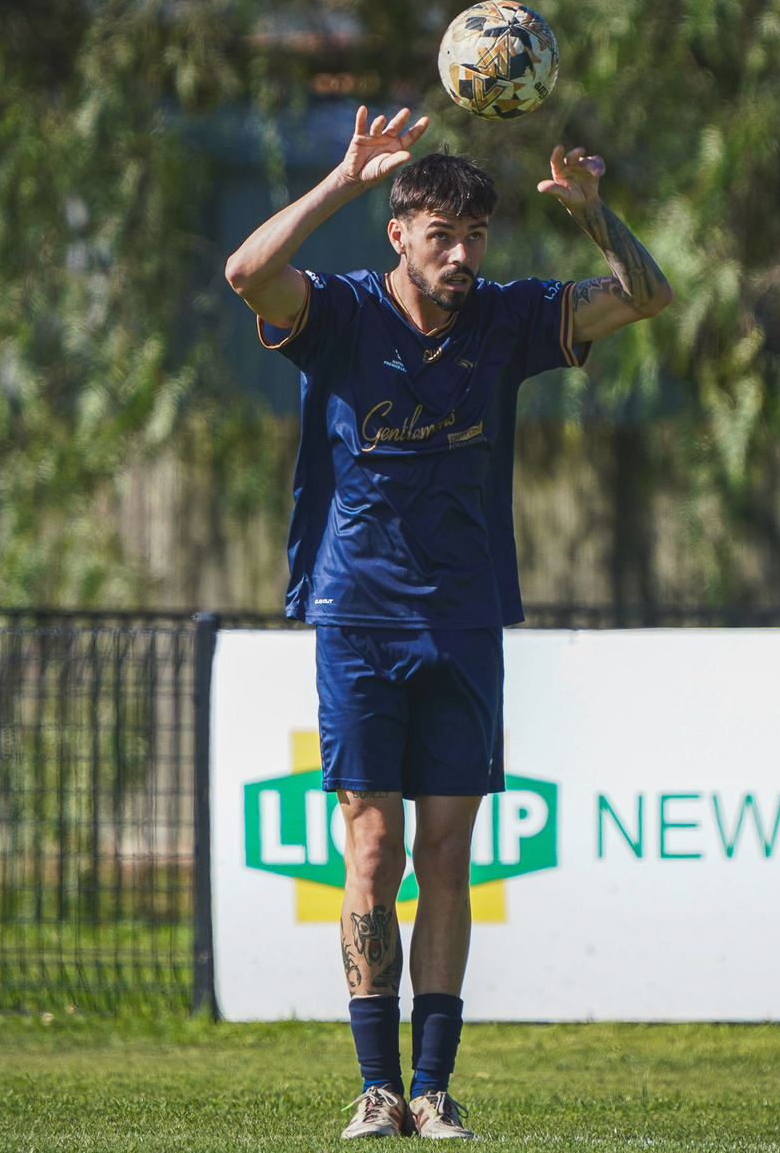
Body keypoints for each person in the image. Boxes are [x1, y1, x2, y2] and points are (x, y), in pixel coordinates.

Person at [223, 106, 672, 1139]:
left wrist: (597, 216)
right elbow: (247, 274)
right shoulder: (335, 314)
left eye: (476, 238)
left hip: (465, 618)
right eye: (443, 238)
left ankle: (432, 1088)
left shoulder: (509, 319)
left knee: (447, 858)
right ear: (399, 235)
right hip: (356, 617)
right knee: (370, 850)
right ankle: (375, 1085)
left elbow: (645, 298)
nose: (463, 256)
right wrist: (340, 178)